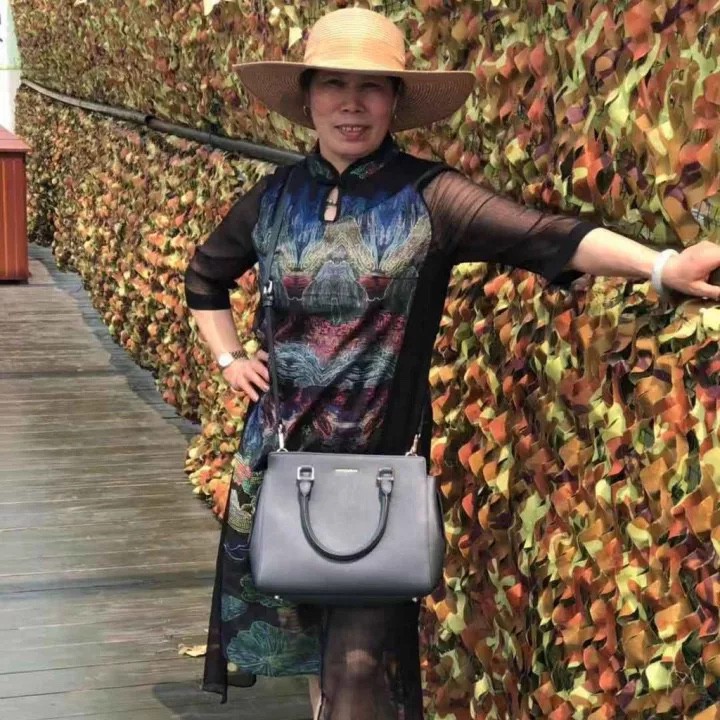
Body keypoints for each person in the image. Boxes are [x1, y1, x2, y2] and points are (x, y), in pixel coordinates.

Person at [184, 8, 720, 719]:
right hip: (281, 461)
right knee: (319, 651)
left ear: (395, 102)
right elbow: (205, 276)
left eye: (372, 87)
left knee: (358, 665)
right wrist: (229, 357)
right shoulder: (274, 199)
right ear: (308, 98)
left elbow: (545, 237)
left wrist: (661, 266)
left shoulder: (430, 197)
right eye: (334, 85)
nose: (352, 104)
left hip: (381, 473)